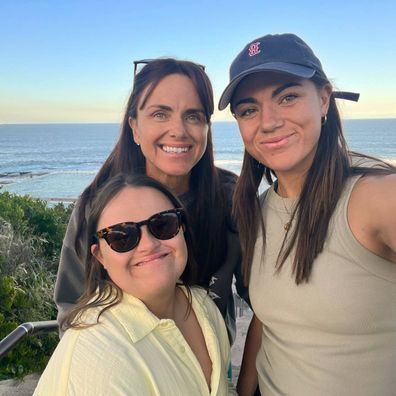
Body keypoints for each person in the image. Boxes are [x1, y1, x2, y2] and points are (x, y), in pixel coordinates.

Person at [218, 33, 396, 395]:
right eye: (249, 109)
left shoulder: (376, 196)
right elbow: (270, 321)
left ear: (324, 98)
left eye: (287, 97)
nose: (267, 122)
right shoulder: (259, 208)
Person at [54, 58, 247, 342]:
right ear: (134, 126)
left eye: (194, 116)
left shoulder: (231, 197)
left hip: (210, 364)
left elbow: (262, 293)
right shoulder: (98, 206)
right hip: (127, 368)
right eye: (160, 114)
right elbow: (73, 306)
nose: (178, 130)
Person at [34, 174, 236, 395]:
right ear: (100, 256)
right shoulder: (99, 356)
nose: (148, 245)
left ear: (182, 229)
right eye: (122, 237)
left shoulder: (203, 306)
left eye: (163, 224)